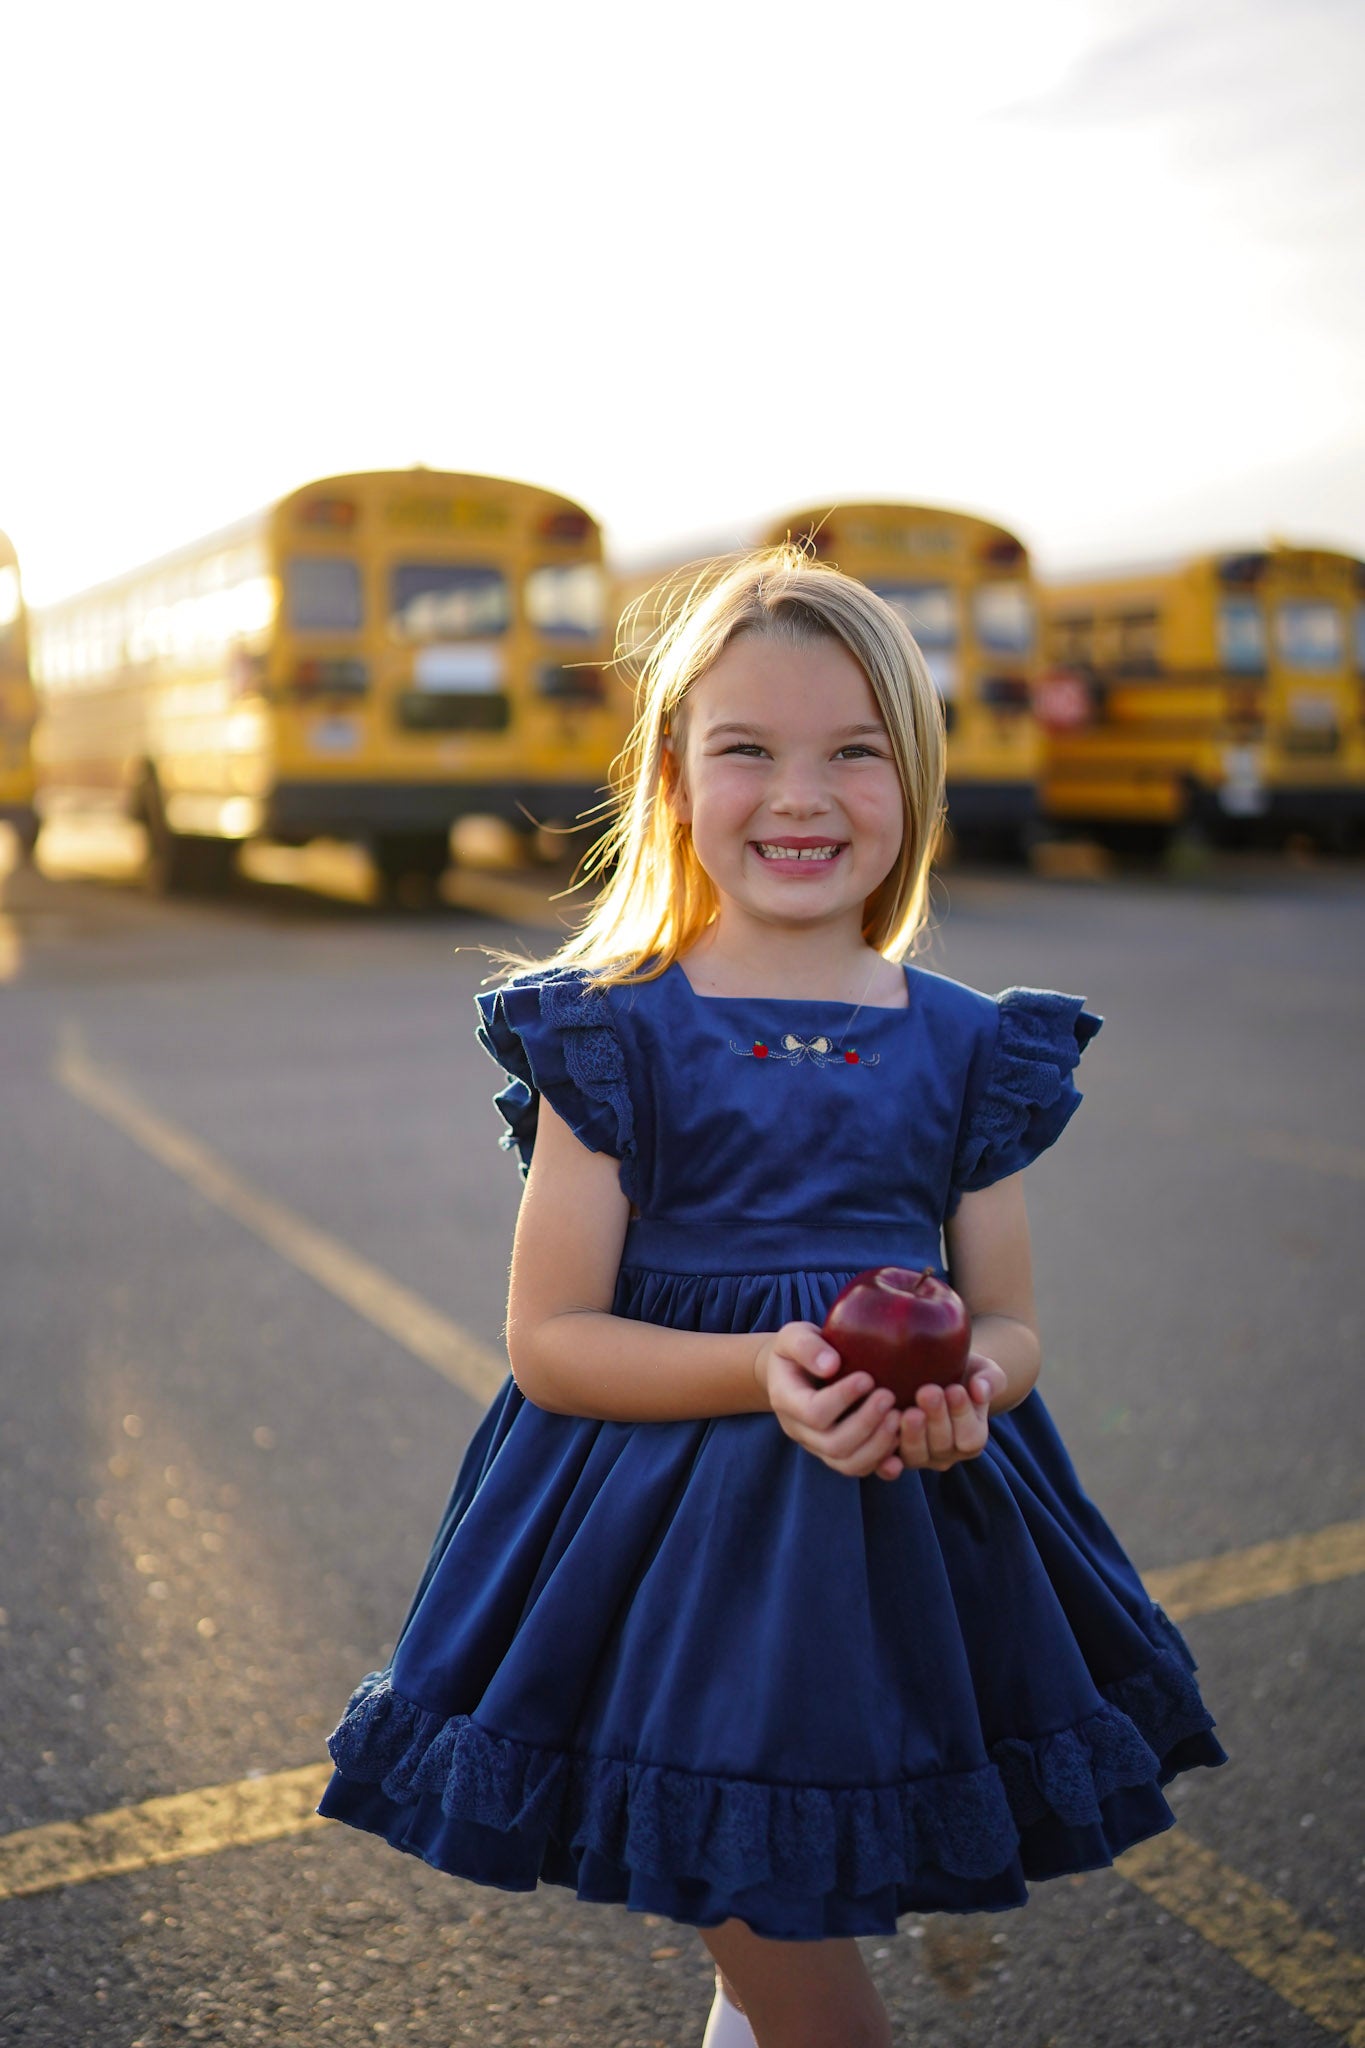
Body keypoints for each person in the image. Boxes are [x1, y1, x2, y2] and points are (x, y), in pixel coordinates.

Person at [319, 548, 1225, 2048]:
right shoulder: (611, 1040)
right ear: (673, 781)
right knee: (785, 1953)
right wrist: (763, 1369)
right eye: (746, 751)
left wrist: (966, 1396)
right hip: (661, 1552)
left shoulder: (968, 1048)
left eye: (852, 754)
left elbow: (1007, 1322)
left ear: (914, 785)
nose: (800, 796)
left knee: (778, 1908)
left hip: (892, 1552)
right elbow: (550, 1344)